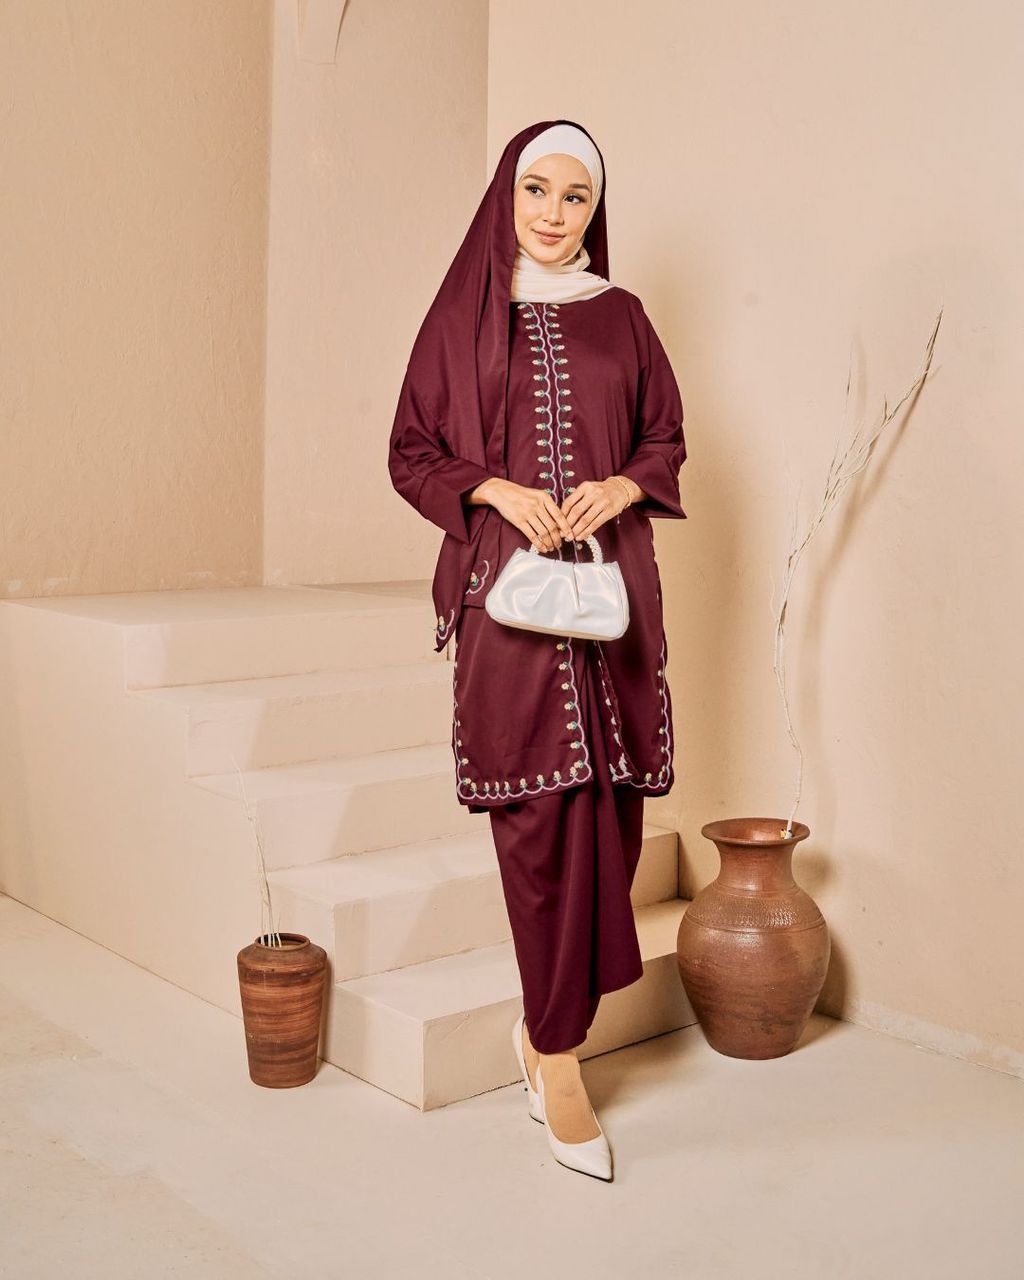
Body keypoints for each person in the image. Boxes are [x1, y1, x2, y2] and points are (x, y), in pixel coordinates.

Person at [388, 119, 687, 1180]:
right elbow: (410, 450)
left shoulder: (623, 315)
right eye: (536, 191)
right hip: (507, 605)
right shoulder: (462, 313)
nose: (554, 214)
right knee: (537, 823)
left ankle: (547, 1028)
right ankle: (556, 1057)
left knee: (610, 820)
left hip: (608, 601)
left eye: (574, 196)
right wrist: (489, 488)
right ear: (505, 196)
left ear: (593, 209)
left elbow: (664, 435)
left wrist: (624, 484)